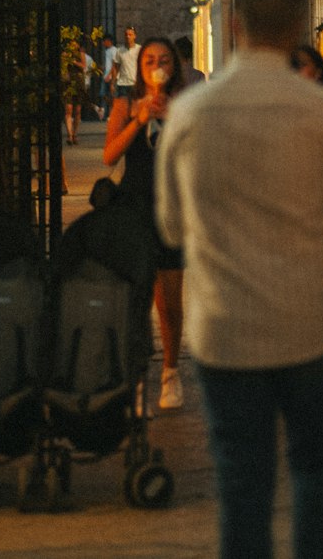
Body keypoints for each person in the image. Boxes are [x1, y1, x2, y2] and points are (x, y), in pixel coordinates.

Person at [156, 0, 323, 559]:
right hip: (313, 324)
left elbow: (171, 227)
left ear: (236, 21)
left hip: (225, 331)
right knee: (317, 474)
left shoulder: (191, 114)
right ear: (299, 22)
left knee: (243, 488)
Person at [103, 34, 187, 411]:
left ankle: (171, 372)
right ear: (140, 68)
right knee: (136, 296)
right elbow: (109, 155)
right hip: (135, 203)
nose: (157, 66)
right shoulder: (125, 104)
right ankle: (137, 375)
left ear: (174, 66)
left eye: (164, 60)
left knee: (169, 300)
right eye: (150, 60)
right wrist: (138, 120)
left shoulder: (185, 105)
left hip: (171, 206)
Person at [114, 25, 140, 99]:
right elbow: (116, 67)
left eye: (130, 35)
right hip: (123, 84)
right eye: (126, 35)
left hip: (135, 84)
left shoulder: (139, 50)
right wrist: (112, 83)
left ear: (134, 36)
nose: (128, 36)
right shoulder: (119, 51)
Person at [99, 32, 118, 120]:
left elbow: (114, 65)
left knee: (111, 95)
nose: (103, 43)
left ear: (108, 41)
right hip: (106, 75)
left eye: (104, 41)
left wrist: (109, 75)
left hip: (110, 77)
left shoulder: (114, 50)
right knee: (104, 95)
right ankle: (111, 111)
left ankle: (112, 114)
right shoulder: (107, 51)